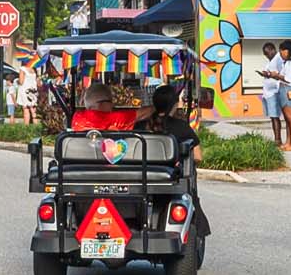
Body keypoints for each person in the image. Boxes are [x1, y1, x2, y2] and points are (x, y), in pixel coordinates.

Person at [144, 83, 210, 241]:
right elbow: (198, 157)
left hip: (142, 178)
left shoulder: (141, 125)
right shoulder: (181, 127)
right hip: (171, 180)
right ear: (174, 104)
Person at [255, 43, 289, 147]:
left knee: (275, 117)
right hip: (268, 93)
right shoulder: (271, 61)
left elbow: (281, 75)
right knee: (272, 117)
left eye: (267, 53)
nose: (266, 55)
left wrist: (268, 74)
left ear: (272, 50)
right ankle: (277, 139)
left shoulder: (278, 59)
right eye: (265, 54)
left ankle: (278, 140)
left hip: (275, 92)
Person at [70, 81, 136, 131]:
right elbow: (143, 114)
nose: (112, 105)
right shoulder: (115, 118)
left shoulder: (77, 116)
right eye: (110, 101)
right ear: (101, 104)